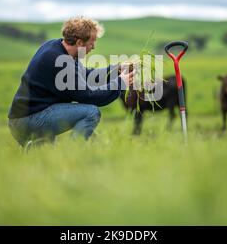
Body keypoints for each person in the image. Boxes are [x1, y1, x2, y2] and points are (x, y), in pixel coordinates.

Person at [7, 16, 133, 147]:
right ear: (79, 43)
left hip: (28, 116)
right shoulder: (60, 62)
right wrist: (120, 83)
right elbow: (89, 96)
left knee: (45, 158)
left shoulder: (57, 47)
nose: (94, 47)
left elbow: (86, 75)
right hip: (28, 120)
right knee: (91, 112)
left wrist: (116, 70)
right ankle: (72, 152)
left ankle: (35, 146)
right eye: (92, 42)